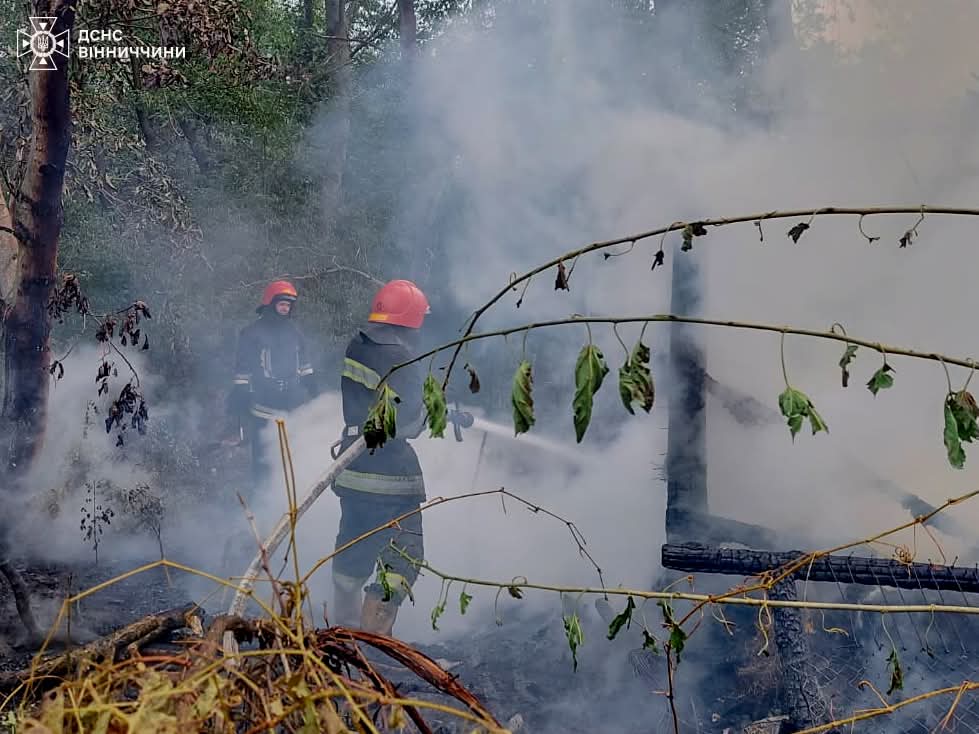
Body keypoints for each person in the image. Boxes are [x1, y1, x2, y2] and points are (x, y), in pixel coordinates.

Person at [330, 279, 471, 635]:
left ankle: (341, 626)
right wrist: (437, 412)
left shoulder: (359, 344)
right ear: (412, 318)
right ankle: (375, 636)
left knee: (353, 551)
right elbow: (406, 421)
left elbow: (374, 406)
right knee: (404, 556)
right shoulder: (401, 356)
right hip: (389, 475)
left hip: (353, 468)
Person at [228, 279, 320, 496]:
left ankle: (285, 494)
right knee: (262, 456)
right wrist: (241, 393)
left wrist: (313, 386)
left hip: (292, 404)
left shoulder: (295, 333)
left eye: (289, 305)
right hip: (263, 405)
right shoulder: (252, 332)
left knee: (290, 453)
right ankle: (261, 497)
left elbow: (304, 362)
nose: (285, 308)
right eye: (282, 304)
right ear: (270, 303)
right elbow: (243, 366)